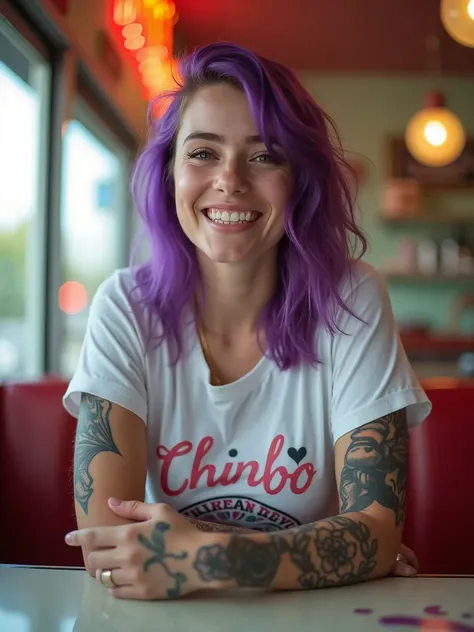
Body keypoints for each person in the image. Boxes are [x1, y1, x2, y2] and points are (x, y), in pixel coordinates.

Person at [63, 42, 431, 601]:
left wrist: (203, 555)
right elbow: (105, 543)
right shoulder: (124, 307)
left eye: (264, 156)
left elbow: (376, 536)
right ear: (169, 174)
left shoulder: (353, 298)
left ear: (298, 180)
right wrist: (329, 548)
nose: (230, 180)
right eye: (203, 153)